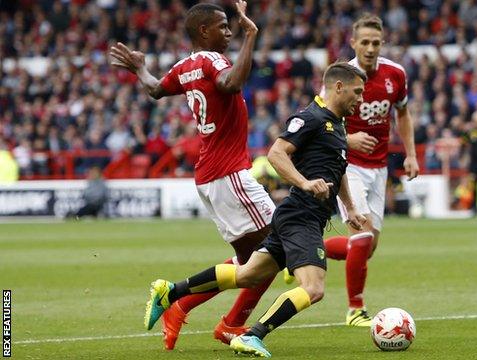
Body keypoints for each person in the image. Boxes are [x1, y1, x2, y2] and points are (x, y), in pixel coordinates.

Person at [143, 62, 367, 358]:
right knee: (313, 288)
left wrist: (349, 207)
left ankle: (171, 291)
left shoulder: (337, 123)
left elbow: (339, 169)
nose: (361, 99)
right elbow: (276, 153)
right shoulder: (311, 117)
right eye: (358, 92)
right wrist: (304, 182)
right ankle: (252, 335)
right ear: (339, 87)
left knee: (248, 274)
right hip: (302, 216)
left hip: (299, 216)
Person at [110, 1, 277, 349]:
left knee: (252, 262)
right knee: (280, 247)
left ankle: (181, 305)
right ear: (204, 31)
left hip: (211, 176)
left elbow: (155, 89)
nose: (229, 31)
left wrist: (140, 68)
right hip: (230, 174)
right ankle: (190, 301)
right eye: (223, 26)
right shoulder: (214, 60)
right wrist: (250, 37)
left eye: (232, 27)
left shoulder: (185, 66)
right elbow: (231, 84)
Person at [316, 13, 419, 327]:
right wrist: (347, 138)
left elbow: (402, 114)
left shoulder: (395, 74)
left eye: (376, 42)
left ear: (383, 42)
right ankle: (354, 310)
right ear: (353, 43)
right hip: (348, 167)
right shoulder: (340, 77)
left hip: (379, 167)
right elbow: (317, 124)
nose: (371, 48)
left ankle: (304, 254)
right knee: (360, 236)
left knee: (367, 246)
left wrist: (411, 155)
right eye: (365, 42)